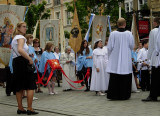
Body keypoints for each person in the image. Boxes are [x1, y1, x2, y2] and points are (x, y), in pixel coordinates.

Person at [11, 21, 38, 114]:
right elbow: (20, 49)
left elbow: (17, 51)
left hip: (16, 62)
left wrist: (26, 54)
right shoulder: (21, 37)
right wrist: (29, 58)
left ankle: (20, 108)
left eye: (26, 27)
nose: (25, 28)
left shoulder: (15, 38)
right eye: (23, 27)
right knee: (30, 86)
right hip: (23, 62)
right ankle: (29, 108)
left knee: (19, 86)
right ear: (18, 28)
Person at [106, 18, 134, 100]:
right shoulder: (129, 34)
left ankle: (113, 95)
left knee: (114, 76)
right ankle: (124, 95)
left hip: (115, 59)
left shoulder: (113, 34)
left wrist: (111, 56)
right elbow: (132, 46)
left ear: (118, 24)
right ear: (124, 24)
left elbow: (109, 47)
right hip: (125, 59)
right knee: (125, 76)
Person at [142, 17, 160, 102]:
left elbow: (151, 46)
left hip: (156, 58)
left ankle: (153, 95)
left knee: (155, 77)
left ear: (156, 23)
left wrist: (148, 58)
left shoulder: (153, 32)